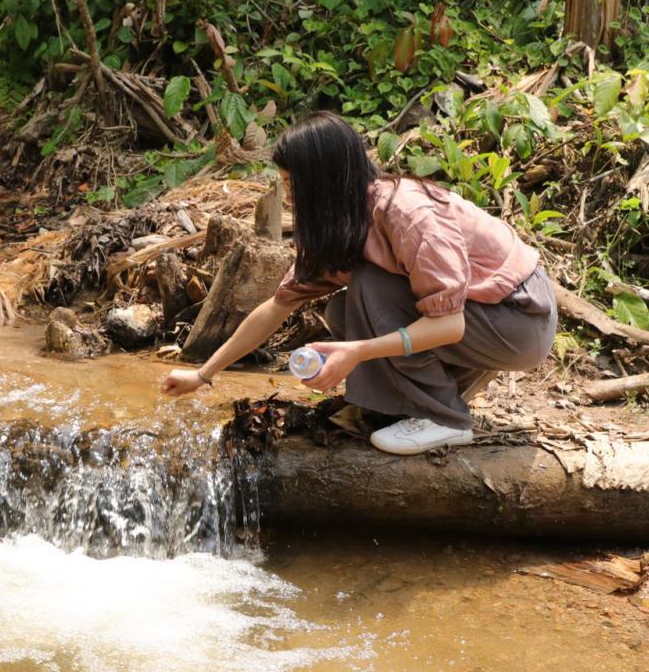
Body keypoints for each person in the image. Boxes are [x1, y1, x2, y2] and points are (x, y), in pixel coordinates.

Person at [159, 111, 558, 456]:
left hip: (518, 319)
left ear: (324, 184)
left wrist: (358, 352)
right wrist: (203, 374)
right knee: (342, 308)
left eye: (295, 189)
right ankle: (416, 405)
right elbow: (276, 307)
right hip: (481, 319)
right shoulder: (348, 223)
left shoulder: (408, 215)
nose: (292, 202)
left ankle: (446, 419)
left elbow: (449, 325)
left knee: (368, 289)